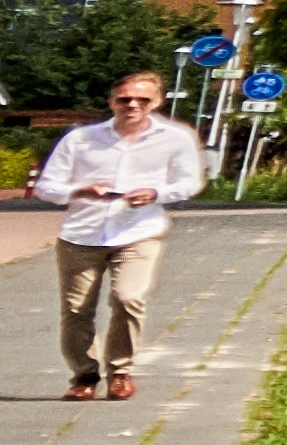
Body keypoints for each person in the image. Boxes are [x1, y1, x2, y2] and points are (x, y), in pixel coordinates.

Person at [41, 62, 205, 404]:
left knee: (129, 298)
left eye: (142, 100)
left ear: (157, 101)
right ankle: (84, 375)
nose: (133, 105)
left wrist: (156, 193)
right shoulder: (82, 139)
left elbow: (190, 182)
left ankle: (120, 371)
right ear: (112, 100)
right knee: (76, 310)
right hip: (81, 234)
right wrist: (80, 190)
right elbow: (47, 186)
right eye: (125, 99)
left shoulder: (175, 138)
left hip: (138, 230)